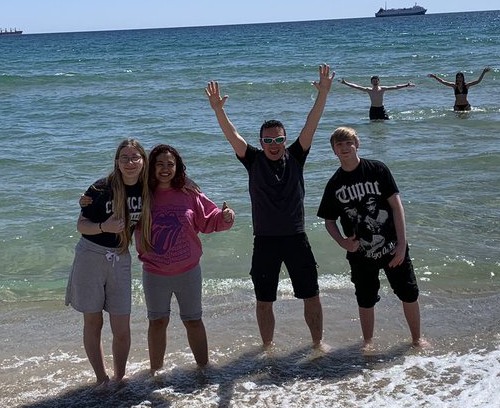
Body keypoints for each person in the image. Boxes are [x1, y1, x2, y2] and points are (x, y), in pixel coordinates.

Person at [205, 64, 334, 349]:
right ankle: (267, 349)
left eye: (278, 139)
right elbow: (233, 135)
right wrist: (218, 110)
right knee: (264, 301)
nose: (273, 144)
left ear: (285, 141)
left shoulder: (296, 156)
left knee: (311, 294)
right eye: (268, 140)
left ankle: (317, 345)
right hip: (264, 240)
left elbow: (312, 123)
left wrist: (323, 94)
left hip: (296, 237)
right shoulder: (253, 160)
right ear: (261, 142)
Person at [317, 126, 424, 348]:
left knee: (409, 293)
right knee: (365, 300)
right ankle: (368, 343)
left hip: (392, 248)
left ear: (357, 144)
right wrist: (343, 242)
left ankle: (417, 339)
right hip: (361, 254)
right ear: (334, 151)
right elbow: (329, 221)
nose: (345, 148)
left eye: (349, 143)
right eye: (339, 144)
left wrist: (402, 245)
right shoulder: (335, 184)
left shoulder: (377, 170)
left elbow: (397, 207)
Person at [137, 144, 235, 373]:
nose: (164, 169)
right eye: (159, 164)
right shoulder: (141, 195)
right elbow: (118, 201)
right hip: (154, 273)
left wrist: (227, 217)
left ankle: (204, 369)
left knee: (193, 320)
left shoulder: (189, 193)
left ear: (177, 167)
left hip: (188, 271)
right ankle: (156, 374)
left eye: (170, 164)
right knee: (157, 322)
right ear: (151, 168)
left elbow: (209, 220)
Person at [65, 139, 147, 387]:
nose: (130, 162)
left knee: (121, 324)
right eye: (124, 158)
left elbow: (173, 181)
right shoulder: (100, 189)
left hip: (121, 258)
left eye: (135, 157)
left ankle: (119, 378)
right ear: (116, 162)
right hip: (91, 255)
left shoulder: (147, 188)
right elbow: (81, 225)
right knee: (93, 321)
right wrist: (104, 226)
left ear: (143, 160)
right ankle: (101, 379)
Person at [338, 75, 415, 121]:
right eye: (373, 81)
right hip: (373, 109)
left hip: (381, 109)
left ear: (378, 81)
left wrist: (406, 85)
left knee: (386, 122)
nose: (375, 82)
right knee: (373, 124)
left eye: (376, 81)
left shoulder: (382, 89)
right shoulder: (369, 90)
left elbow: (395, 87)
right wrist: (345, 83)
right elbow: (356, 87)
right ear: (371, 82)